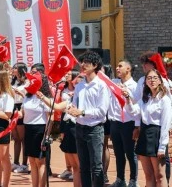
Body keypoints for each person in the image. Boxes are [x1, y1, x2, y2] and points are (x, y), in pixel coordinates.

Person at [67, 51, 110, 186]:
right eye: (82, 62)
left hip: (95, 129)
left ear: (95, 65)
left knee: (97, 167)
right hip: (80, 127)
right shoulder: (80, 85)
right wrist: (72, 110)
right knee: (83, 167)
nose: (83, 65)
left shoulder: (101, 86)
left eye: (86, 62)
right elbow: (75, 104)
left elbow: (102, 111)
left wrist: (82, 112)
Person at [125, 69, 171, 187]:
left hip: (157, 135)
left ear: (160, 81)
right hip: (144, 134)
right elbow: (134, 113)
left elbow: (166, 124)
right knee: (148, 175)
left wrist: (162, 146)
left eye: (155, 78)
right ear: (145, 82)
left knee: (160, 176)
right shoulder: (145, 99)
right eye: (149, 78)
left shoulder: (164, 99)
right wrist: (127, 99)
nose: (152, 80)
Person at [109, 60, 139, 187]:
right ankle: (120, 179)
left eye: (120, 66)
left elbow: (138, 106)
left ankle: (133, 180)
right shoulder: (115, 83)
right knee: (118, 153)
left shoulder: (135, 86)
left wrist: (137, 126)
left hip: (129, 123)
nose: (117, 68)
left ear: (128, 69)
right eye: (117, 66)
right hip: (116, 122)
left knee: (130, 153)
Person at [20, 71, 51, 187]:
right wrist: (18, 113)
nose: (29, 82)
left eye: (31, 80)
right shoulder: (27, 96)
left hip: (40, 130)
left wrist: (46, 136)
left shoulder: (44, 97)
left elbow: (50, 118)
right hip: (28, 129)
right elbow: (22, 111)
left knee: (40, 161)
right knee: (32, 161)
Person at [58, 70, 82, 186]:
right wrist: (43, 97)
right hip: (67, 121)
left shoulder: (82, 94)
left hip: (79, 125)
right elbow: (58, 106)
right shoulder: (64, 89)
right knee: (74, 161)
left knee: (80, 163)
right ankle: (69, 169)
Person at [10, 63, 29, 173]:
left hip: (22, 106)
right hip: (13, 107)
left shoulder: (27, 82)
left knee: (23, 139)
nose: (13, 69)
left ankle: (24, 164)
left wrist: (20, 93)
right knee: (16, 137)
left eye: (15, 68)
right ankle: (16, 162)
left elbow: (29, 96)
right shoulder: (12, 81)